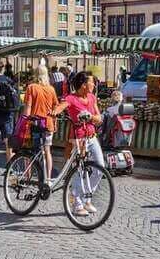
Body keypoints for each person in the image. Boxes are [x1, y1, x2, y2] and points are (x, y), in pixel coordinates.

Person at [62, 71, 106, 216]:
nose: (94, 84)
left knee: (100, 167)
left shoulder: (92, 98)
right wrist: (54, 111)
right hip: (78, 138)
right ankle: (77, 203)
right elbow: (63, 105)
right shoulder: (72, 98)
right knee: (79, 171)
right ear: (83, 85)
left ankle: (87, 197)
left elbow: (99, 118)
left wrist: (91, 117)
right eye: (91, 82)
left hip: (92, 136)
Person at [22, 65, 60, 177]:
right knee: (47, 151)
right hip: (48, 124)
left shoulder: (31, 87)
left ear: (35, 74)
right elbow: (55, 107)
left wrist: (24, 121)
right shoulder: (51, 89)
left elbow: (28, 107)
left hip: (35, 123)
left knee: (29, 151)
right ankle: (48, 177)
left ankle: (27, 176)